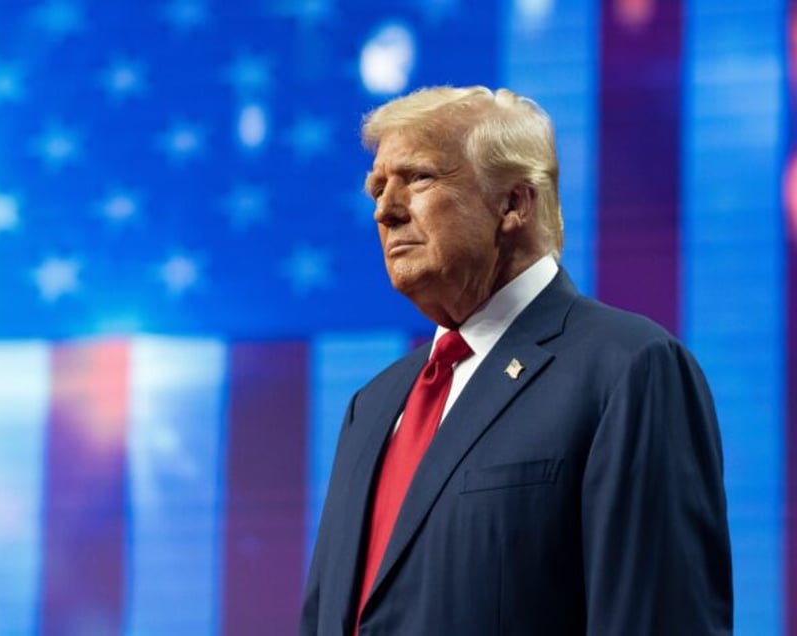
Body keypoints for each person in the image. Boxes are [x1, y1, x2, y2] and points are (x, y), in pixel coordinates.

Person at [299, 86, 732, 635]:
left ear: (513, 204)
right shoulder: (373, 406)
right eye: (378, 188)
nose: (385, 209)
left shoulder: (627, 369)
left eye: (419, 177)